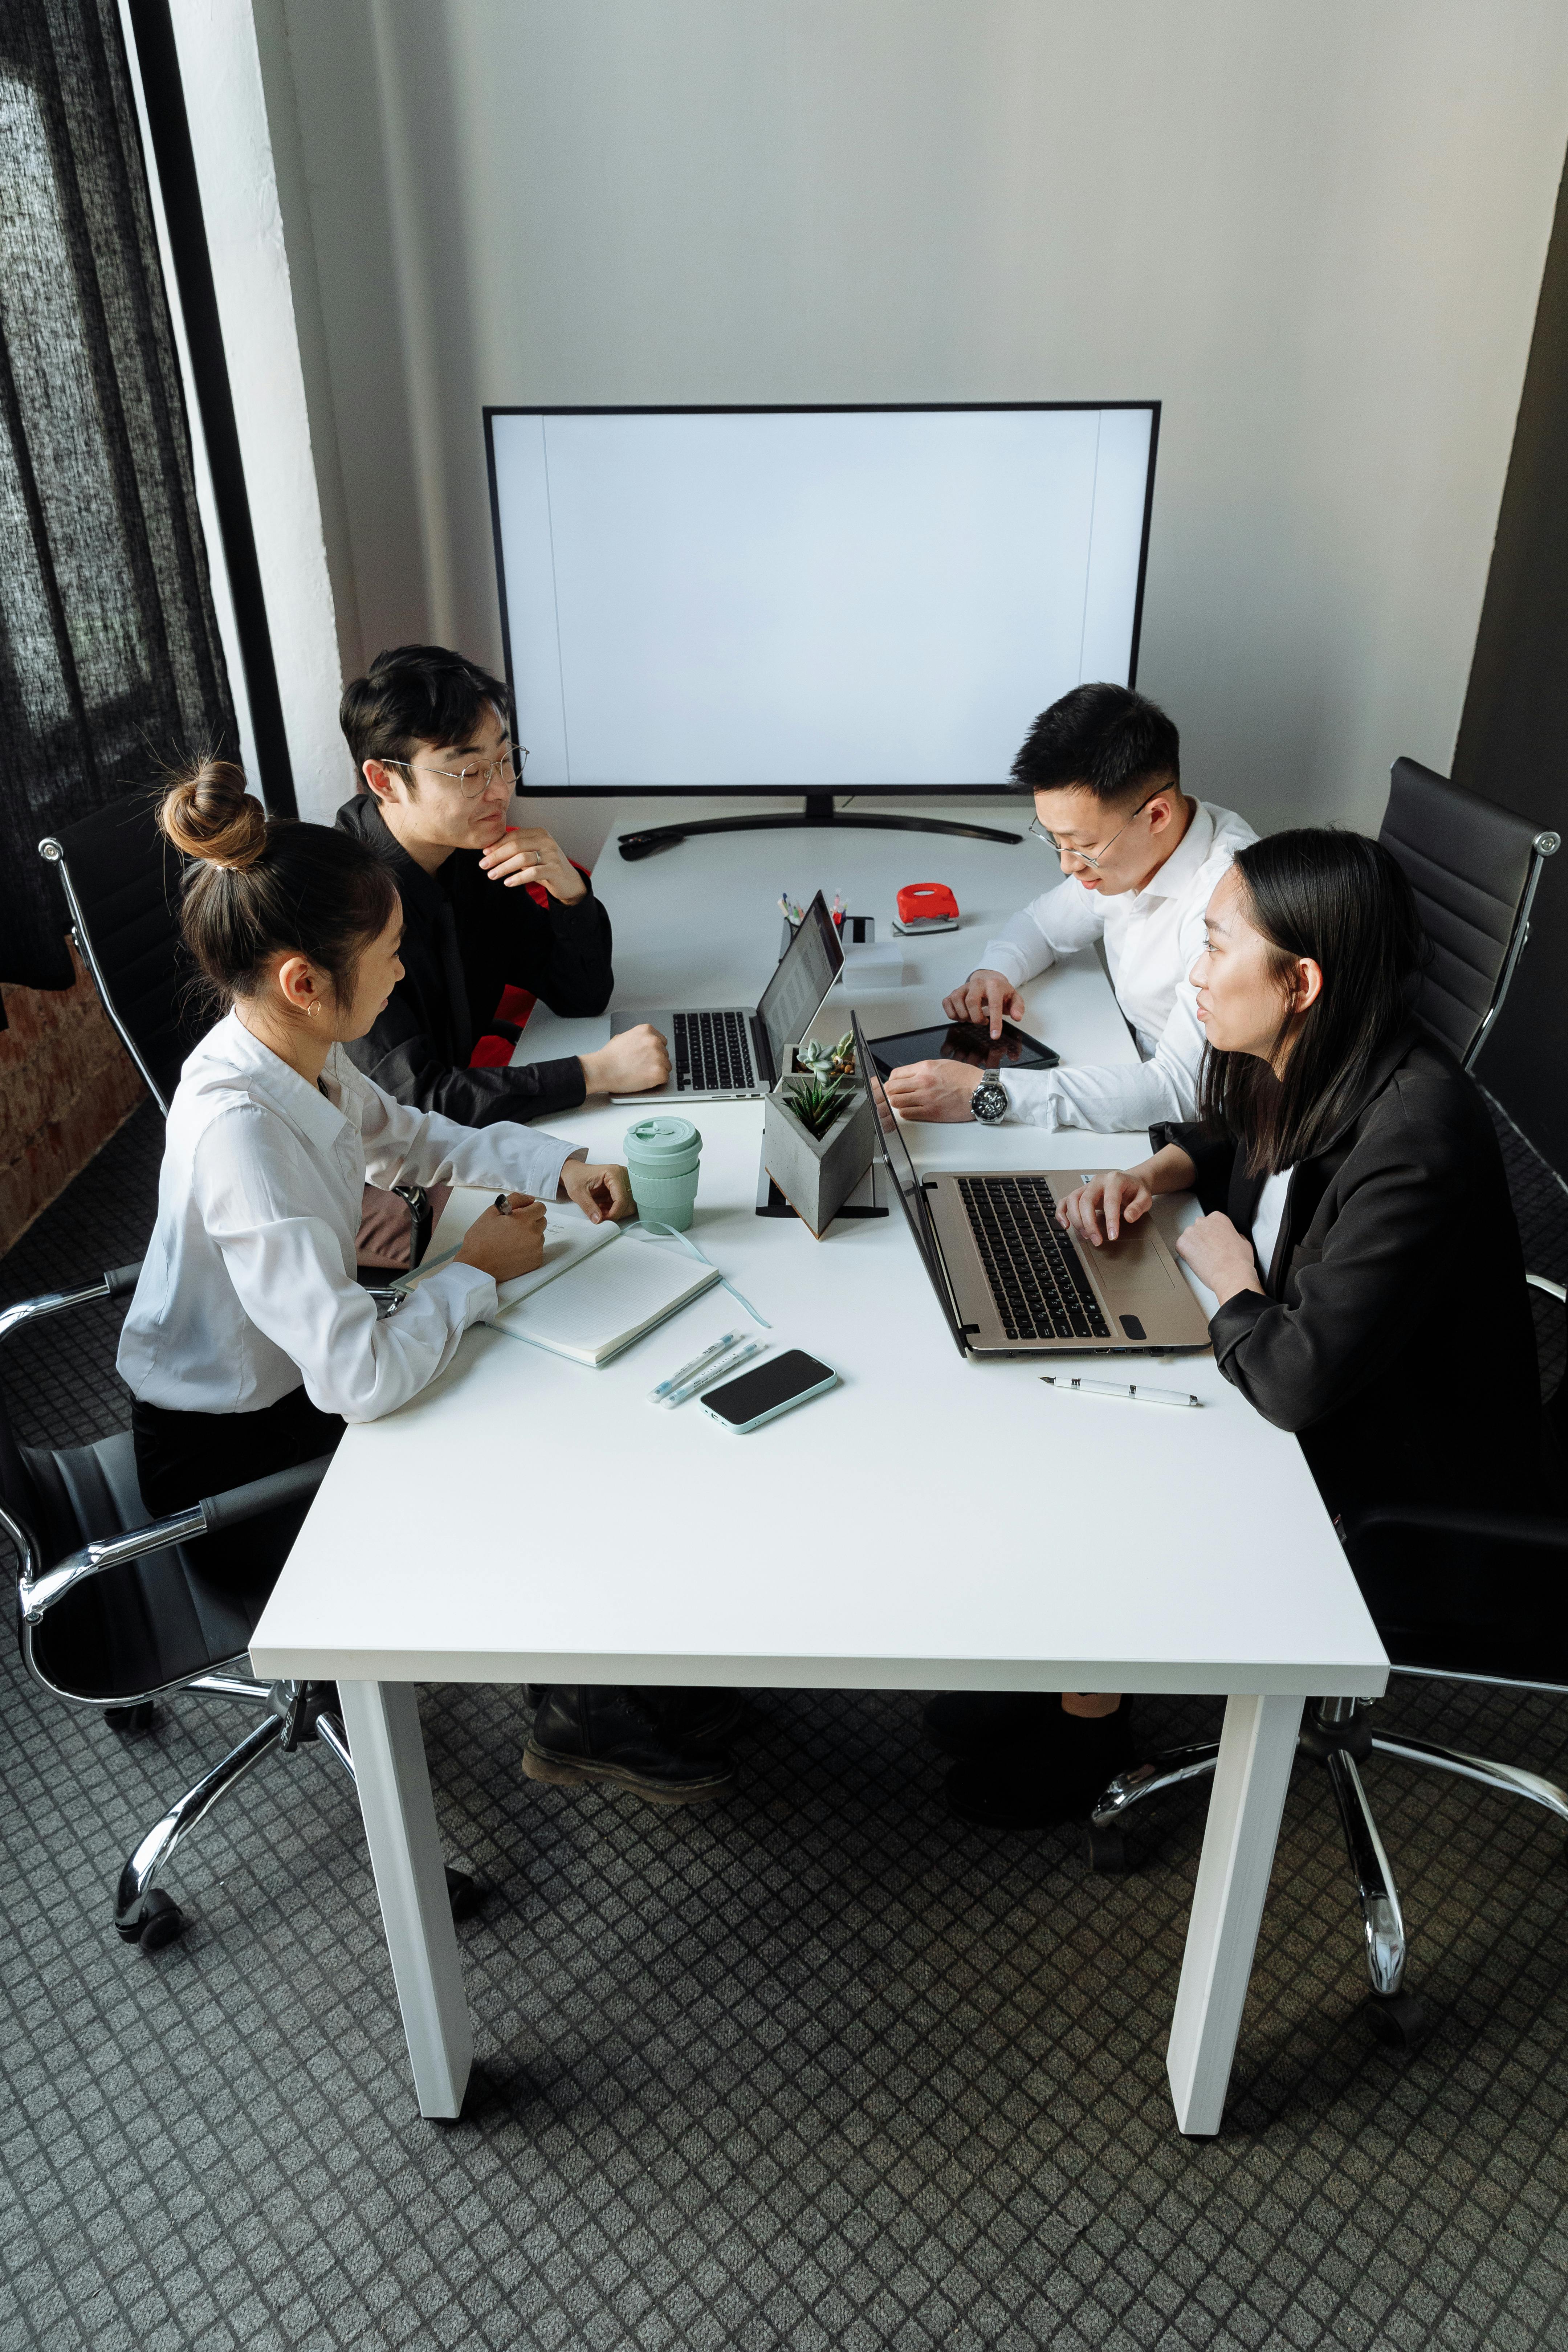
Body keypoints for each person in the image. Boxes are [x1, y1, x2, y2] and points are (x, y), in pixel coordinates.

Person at [119, 761, 733, 1805]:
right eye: (390, 957)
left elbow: (404, 1137)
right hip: (232, 1457)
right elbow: (357, 1377)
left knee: (537, 1398)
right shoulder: (240, 1136)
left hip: (293, 1376)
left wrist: (557, 1167)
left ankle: (610, 1673)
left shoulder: (288, 1048)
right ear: (306, 979)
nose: (402, 975)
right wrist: (474, 1274)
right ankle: (580, 1710)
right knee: (523, 1443)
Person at [930, 828, 1544, 1830]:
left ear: (1297, 979)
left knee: (1098, 1441)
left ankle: (1088, 1725)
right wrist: (1157, 1170)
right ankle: (1061, 1667)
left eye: (1213, 947)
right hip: (1328, 1382)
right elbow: (1240, 1130)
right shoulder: (1318, 1045)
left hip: (1396, 1484)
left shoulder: (1416, 1139)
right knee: (1058, 1378)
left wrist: (1226, 1284)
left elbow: (1294, 1380)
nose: (1194, 973)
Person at [336, 645, 669, 1264]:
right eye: (468, 771)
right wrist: (593, 1073)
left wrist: (570, 897)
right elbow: (417, 1104)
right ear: (384, 779)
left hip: (465, 1149)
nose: (500, 789)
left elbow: (578, 993)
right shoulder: (344, 914)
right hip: (369, 1193)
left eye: (504, 759)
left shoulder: (469, 852)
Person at [884, 684, 1255, 1134]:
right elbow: (1041, 925)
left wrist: (986, 1091)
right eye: (1055, 840)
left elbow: (1178, 1091)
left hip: (1207, 1128)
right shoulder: (1131, 851)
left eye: (1083, 845)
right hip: (1129, 1067)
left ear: (1156, 815)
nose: (1067, 864)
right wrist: (994, 974)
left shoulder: (1231, 903)